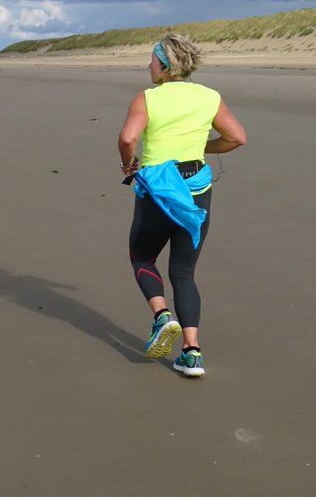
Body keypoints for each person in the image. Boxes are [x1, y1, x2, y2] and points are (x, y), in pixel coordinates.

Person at [117, 34, 246, 377]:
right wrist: (205, 149)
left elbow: (128, 138)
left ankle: (161, 316)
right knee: (184, 272)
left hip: (159, 191)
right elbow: (237, 137)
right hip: (196, 189)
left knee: (142, 256)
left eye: (151, 60)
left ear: (163, 65)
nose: (148, 66)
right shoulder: (210, 97)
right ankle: (192, 353)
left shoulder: (147, 99)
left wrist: (128, 165)